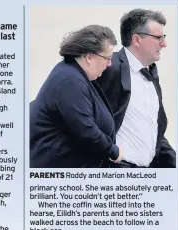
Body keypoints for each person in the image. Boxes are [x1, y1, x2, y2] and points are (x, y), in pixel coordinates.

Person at [30, 26, 122, 168]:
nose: (109, 64)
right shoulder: (70, 80)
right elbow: (86, 130)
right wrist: (113, 152)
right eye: (107, 58)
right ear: (90, 57)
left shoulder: (73, 74)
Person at [95, 9, 176, 168]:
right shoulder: (109, 68)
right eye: (158, 38)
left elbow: (152, 130)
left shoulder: (151, 74)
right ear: (137, 39)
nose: (164, 44)